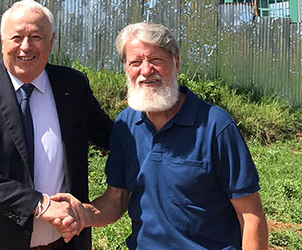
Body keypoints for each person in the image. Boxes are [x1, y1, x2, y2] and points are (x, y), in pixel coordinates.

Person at [52, 22, 269, 249]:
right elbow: (116, 200)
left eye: (156, 60)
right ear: (126, 68)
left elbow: (251, 215)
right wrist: (83, 214)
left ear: (175, 63)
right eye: (135, 62)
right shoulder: (126, 125)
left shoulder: (215, 125)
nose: (146, 71)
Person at [0, 1, 112, 249]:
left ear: (51, 40)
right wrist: (38, 204)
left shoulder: (73, 85)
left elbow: (111, 138)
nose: (26, 46)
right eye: (17, 37)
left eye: (36, 36)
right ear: (2, 39)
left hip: (65, 241)